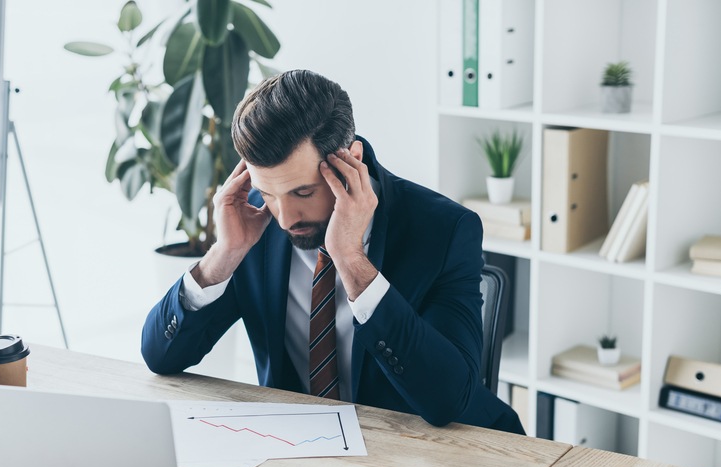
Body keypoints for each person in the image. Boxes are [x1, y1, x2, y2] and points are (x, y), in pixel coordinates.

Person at [142, 70, 523, 434]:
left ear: (350, 161)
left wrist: (352, 261)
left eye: (303, 193)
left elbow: (447, 400)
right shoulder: (254, 222)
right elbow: (161, 357)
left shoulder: (444, 230)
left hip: (432, 451)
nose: (286, 218)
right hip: (303, 448)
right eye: (270, 192)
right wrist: (224, 254)